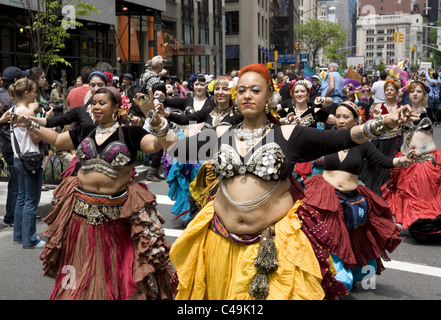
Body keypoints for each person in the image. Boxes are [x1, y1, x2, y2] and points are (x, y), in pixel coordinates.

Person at [168, 63, 416, 300]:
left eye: (255, 90)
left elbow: (343, 139)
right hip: (219, 241)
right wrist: (158, 126)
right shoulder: (222, 134)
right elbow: (179, 150)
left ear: (270, 96)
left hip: (274, 244)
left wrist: (382, 124)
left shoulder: (288, 134)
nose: (247, 95)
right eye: (241, 90)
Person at [11, 86, 177, 299]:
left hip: (117, 217)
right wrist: (29, 124)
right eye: (94, 103)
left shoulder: (130, 133)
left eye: (102, 103)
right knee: (81, 269)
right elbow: (56, 140)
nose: (96, 107)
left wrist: (155, 120)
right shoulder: (85, 131)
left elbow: (163, 145)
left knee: (115, 271)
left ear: (116, 107)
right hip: (81, 215)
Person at [301, 101, 410, 291]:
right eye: (338, 116)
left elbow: (383, 160)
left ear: (356, 120)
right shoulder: (326, 138)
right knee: (330, 239)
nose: (341, 121)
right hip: (327, 197)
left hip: (353, 199)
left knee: (356, 238)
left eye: (346, 117)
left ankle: (354, 272)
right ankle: (336, 277)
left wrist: (404, 160)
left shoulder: (363, 144)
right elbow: (310, 126)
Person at [382, 80, 441, 242]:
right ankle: (403, 221)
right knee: (404, 192)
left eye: (419, 91)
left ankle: (424, 225)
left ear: (425, 94)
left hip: (426, 160)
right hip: (405, 159)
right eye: (412, 91)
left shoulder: (430, 111)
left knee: (423, 197)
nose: (415, 94)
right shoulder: (401, 112)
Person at [7, 78, 45, 248]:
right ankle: (30, 239)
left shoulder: (13, 110)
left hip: (18, 157)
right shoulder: (28, 113)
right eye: (35, 91)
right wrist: (43, 120)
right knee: (31, 200)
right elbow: (36, 138)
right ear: (27, 93)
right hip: (31, 158)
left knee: (22, 198)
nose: (37, 95)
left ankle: (19, 236)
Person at [359, 79, 402, 195]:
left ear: (397, 92)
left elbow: (403, 126)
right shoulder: (378, 106)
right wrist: (375, 116)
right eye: (387, 90)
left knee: (388, 171)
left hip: (393, 143)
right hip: (379, 142)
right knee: (376, 169)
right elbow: (370, 123)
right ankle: (373, 194)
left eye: (392, 90)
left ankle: (385, 195)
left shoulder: (400, 108)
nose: (389, 92)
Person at [0, 66, 29, 227]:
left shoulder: (3, 96)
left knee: (17, 181)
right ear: (16, 81)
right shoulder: (9, 99)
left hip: (7, 145)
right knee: (17, 183)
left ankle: (15, 215)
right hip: (12, 146)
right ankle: (11, 217)